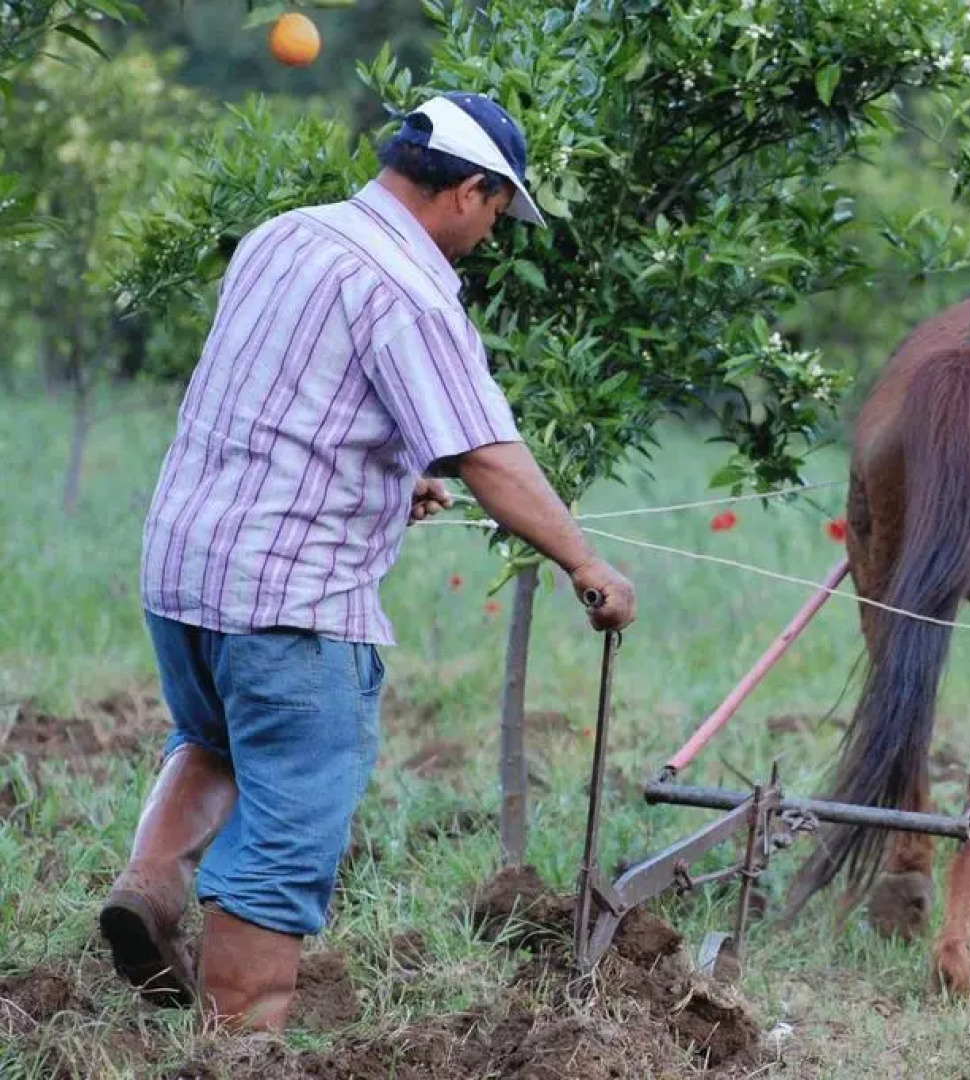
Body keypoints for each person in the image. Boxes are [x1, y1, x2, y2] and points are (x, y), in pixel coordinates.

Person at [99, 91, 636, 1033]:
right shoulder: (410, 288)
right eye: (499, 213)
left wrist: (394, 479)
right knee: (287, 833)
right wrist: (585, 564)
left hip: (183, 571)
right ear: (468, 192)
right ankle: (241, 1046)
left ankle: (149, 890)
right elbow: (491, 457)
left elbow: (292, 401)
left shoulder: (285, 234)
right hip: (292, 602)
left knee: (217, 740)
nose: (491, 235)